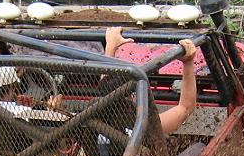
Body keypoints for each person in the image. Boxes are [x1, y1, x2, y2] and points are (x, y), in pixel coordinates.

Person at [49, 27, 198, 135]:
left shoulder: (83, 123)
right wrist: (188, 62)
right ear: (133, 96)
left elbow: (106, 86)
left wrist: (55, 110)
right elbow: (186, 107)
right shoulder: (147, 126)